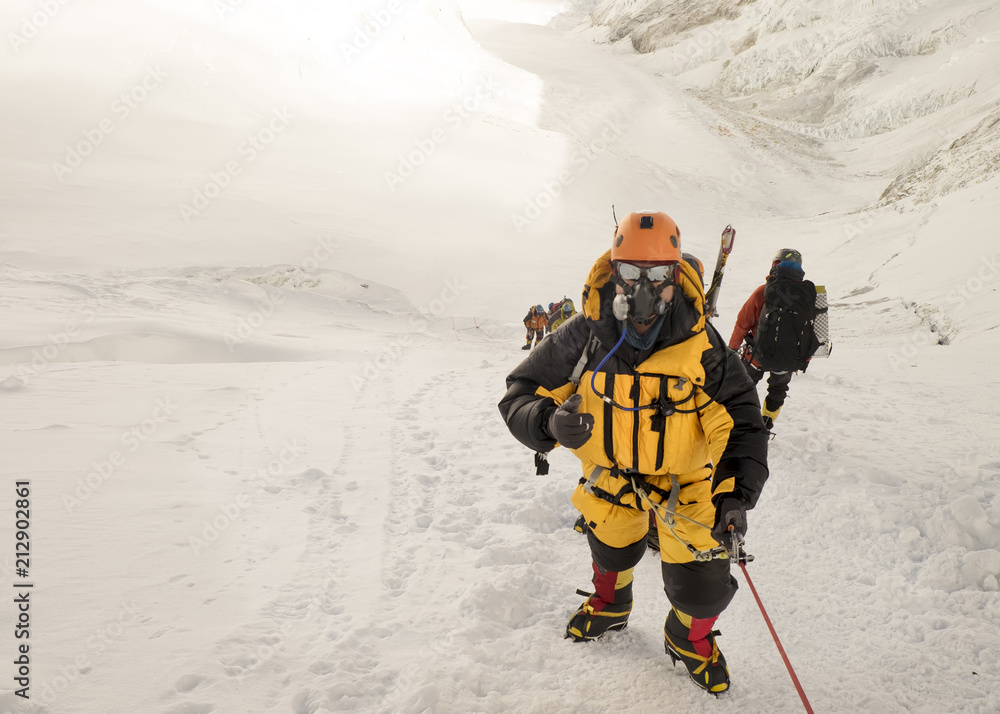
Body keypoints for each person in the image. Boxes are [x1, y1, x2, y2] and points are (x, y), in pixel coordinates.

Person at [498, 211, 769, 694]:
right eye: (630, 274)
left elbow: (743, 420)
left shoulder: (701, 346)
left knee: (703, 584)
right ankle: (612, 605)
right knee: (610, 548)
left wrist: (733, 494)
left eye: (659, 275)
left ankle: (689, 638)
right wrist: (546, 420)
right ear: (613, 271)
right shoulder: (584, 336)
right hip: (611, 478)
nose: (643, 289)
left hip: (687, 488)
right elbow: (519, 389)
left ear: (676, 276)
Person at [728, 248, 807, 430]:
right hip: (787, 360)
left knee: (744, 386)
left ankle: (740, 421)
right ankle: (767, 422)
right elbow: (811, 331)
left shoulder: (762, 292)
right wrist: (804, 359)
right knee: (778, 390)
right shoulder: (806, 295)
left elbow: (743, 323)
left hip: (756, 355)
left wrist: (732, 349)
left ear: (774, 266)